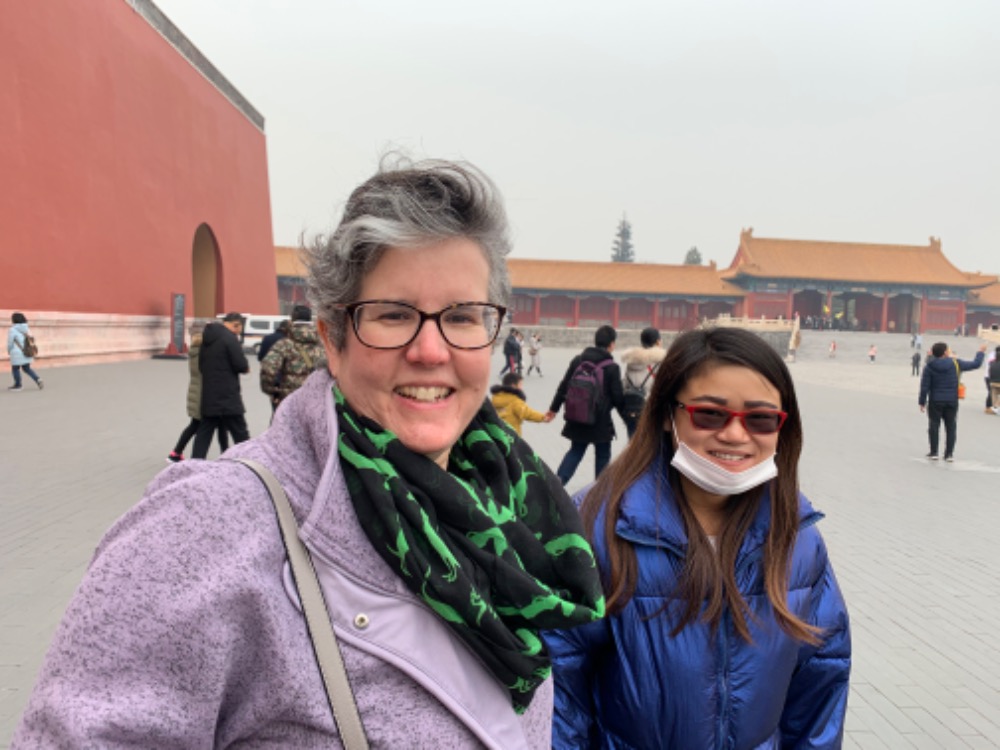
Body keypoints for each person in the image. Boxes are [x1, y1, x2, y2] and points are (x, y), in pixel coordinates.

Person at [13, 157, 605, 748]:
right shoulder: (205, 528)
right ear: (332, 337)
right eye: (394, 315)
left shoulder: (516, 515)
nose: (431, 350)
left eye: (462, 317)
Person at [544, 326, 851, 748]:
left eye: (760, 419)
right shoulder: (597, 525)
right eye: (710, 413)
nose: (735, 435)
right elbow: (560, 688)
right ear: (669, 416)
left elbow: (820, 687)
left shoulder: (797, 537)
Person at [546, 325, 625, 485]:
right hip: (600, 422)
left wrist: (553, 409)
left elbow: (564, 386)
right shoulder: (611, 367)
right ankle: (599, 493)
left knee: (575, 451)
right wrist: (628, 417)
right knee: (602, 455)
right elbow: (617, 397)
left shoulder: (578, 360)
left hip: (577, 416)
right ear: (611, 344)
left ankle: (557, 486)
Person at [191, 312, 250, 459]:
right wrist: (245, 367)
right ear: (235, 324)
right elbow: (241, 365)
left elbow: (201, 366)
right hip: (228, 395)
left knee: (204, 433)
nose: (239, 330)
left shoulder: (206, 339)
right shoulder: (230, 339)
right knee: (240, 433)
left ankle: (195, 463)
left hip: (209, 394)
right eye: (239, 326)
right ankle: (248, 462)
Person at [167, 323, 230, 462]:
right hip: (205, 394)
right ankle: (225, 455)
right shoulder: (205, 350)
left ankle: (176, 453)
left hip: (197, 392)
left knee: (196, 425)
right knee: (216, 426)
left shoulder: (195, 349)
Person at [918, 341, 986, 461]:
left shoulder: (929, 366)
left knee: (934, 426)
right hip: (951, 400)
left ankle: (934, 452)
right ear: (945, 352)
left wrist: (922, 402)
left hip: (935, 400)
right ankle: (949, 454)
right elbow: (976, 364)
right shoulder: (956, 363)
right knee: (951, 427)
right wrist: (981, 352)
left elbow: (925, 386)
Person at [260, 304, 326, 412]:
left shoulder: (284, 344)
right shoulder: (324, 344)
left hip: (289, 399)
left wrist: (274, 391)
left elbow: (268, 368)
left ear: (292, 319)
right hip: (316, 399)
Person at [618, 326, 665, 438]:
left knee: (633, 446)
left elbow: (625, 385)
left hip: (633, 408)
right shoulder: (661, 362)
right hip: (652, 410)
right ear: (658, 342)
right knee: (652, 447)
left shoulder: (632, 361)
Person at [7, 312, 43, 391]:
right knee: (27, 368)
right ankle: (37, 379)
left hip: (16, 352)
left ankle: (18, 385)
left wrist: (9, 350)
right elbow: (31, 339)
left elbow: (10, 342)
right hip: (27, 351)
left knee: (15, 368)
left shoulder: (12, 329)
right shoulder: (27, 328)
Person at [987, 346, 1000, 415]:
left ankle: (995, 406)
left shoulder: (992, 364)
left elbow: (989, 373)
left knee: (994, 394)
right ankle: (997, 407)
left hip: (993, 382)